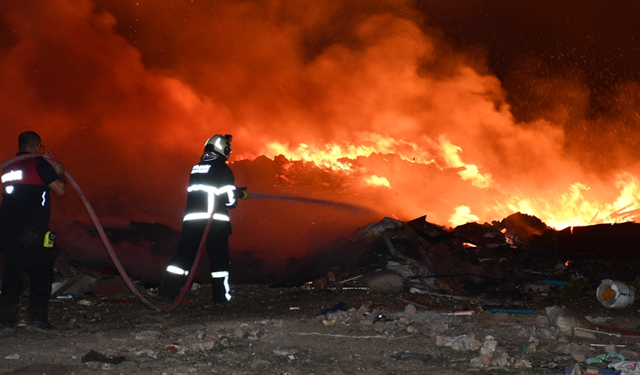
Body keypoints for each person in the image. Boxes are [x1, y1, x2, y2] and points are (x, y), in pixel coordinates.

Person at [158, 134, 246, 305]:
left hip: (192, 222)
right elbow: (229, 200)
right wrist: (235, 195)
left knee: (182, 258)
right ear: (223, 149)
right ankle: (222, 299)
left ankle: (167, 292)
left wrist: (233, 190)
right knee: (219, 263)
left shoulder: (197, 168)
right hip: (214, 224)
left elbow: (210, 189)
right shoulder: (223, 169)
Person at [0, 131, 66, 333]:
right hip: (33, 229)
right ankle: (38, 320)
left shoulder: (8, 166)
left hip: (6, 228)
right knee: (42, 273)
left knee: (13, 273)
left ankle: (6, 322)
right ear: (38, 146)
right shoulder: (40, 164)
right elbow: (61, 190)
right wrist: (56, 169)